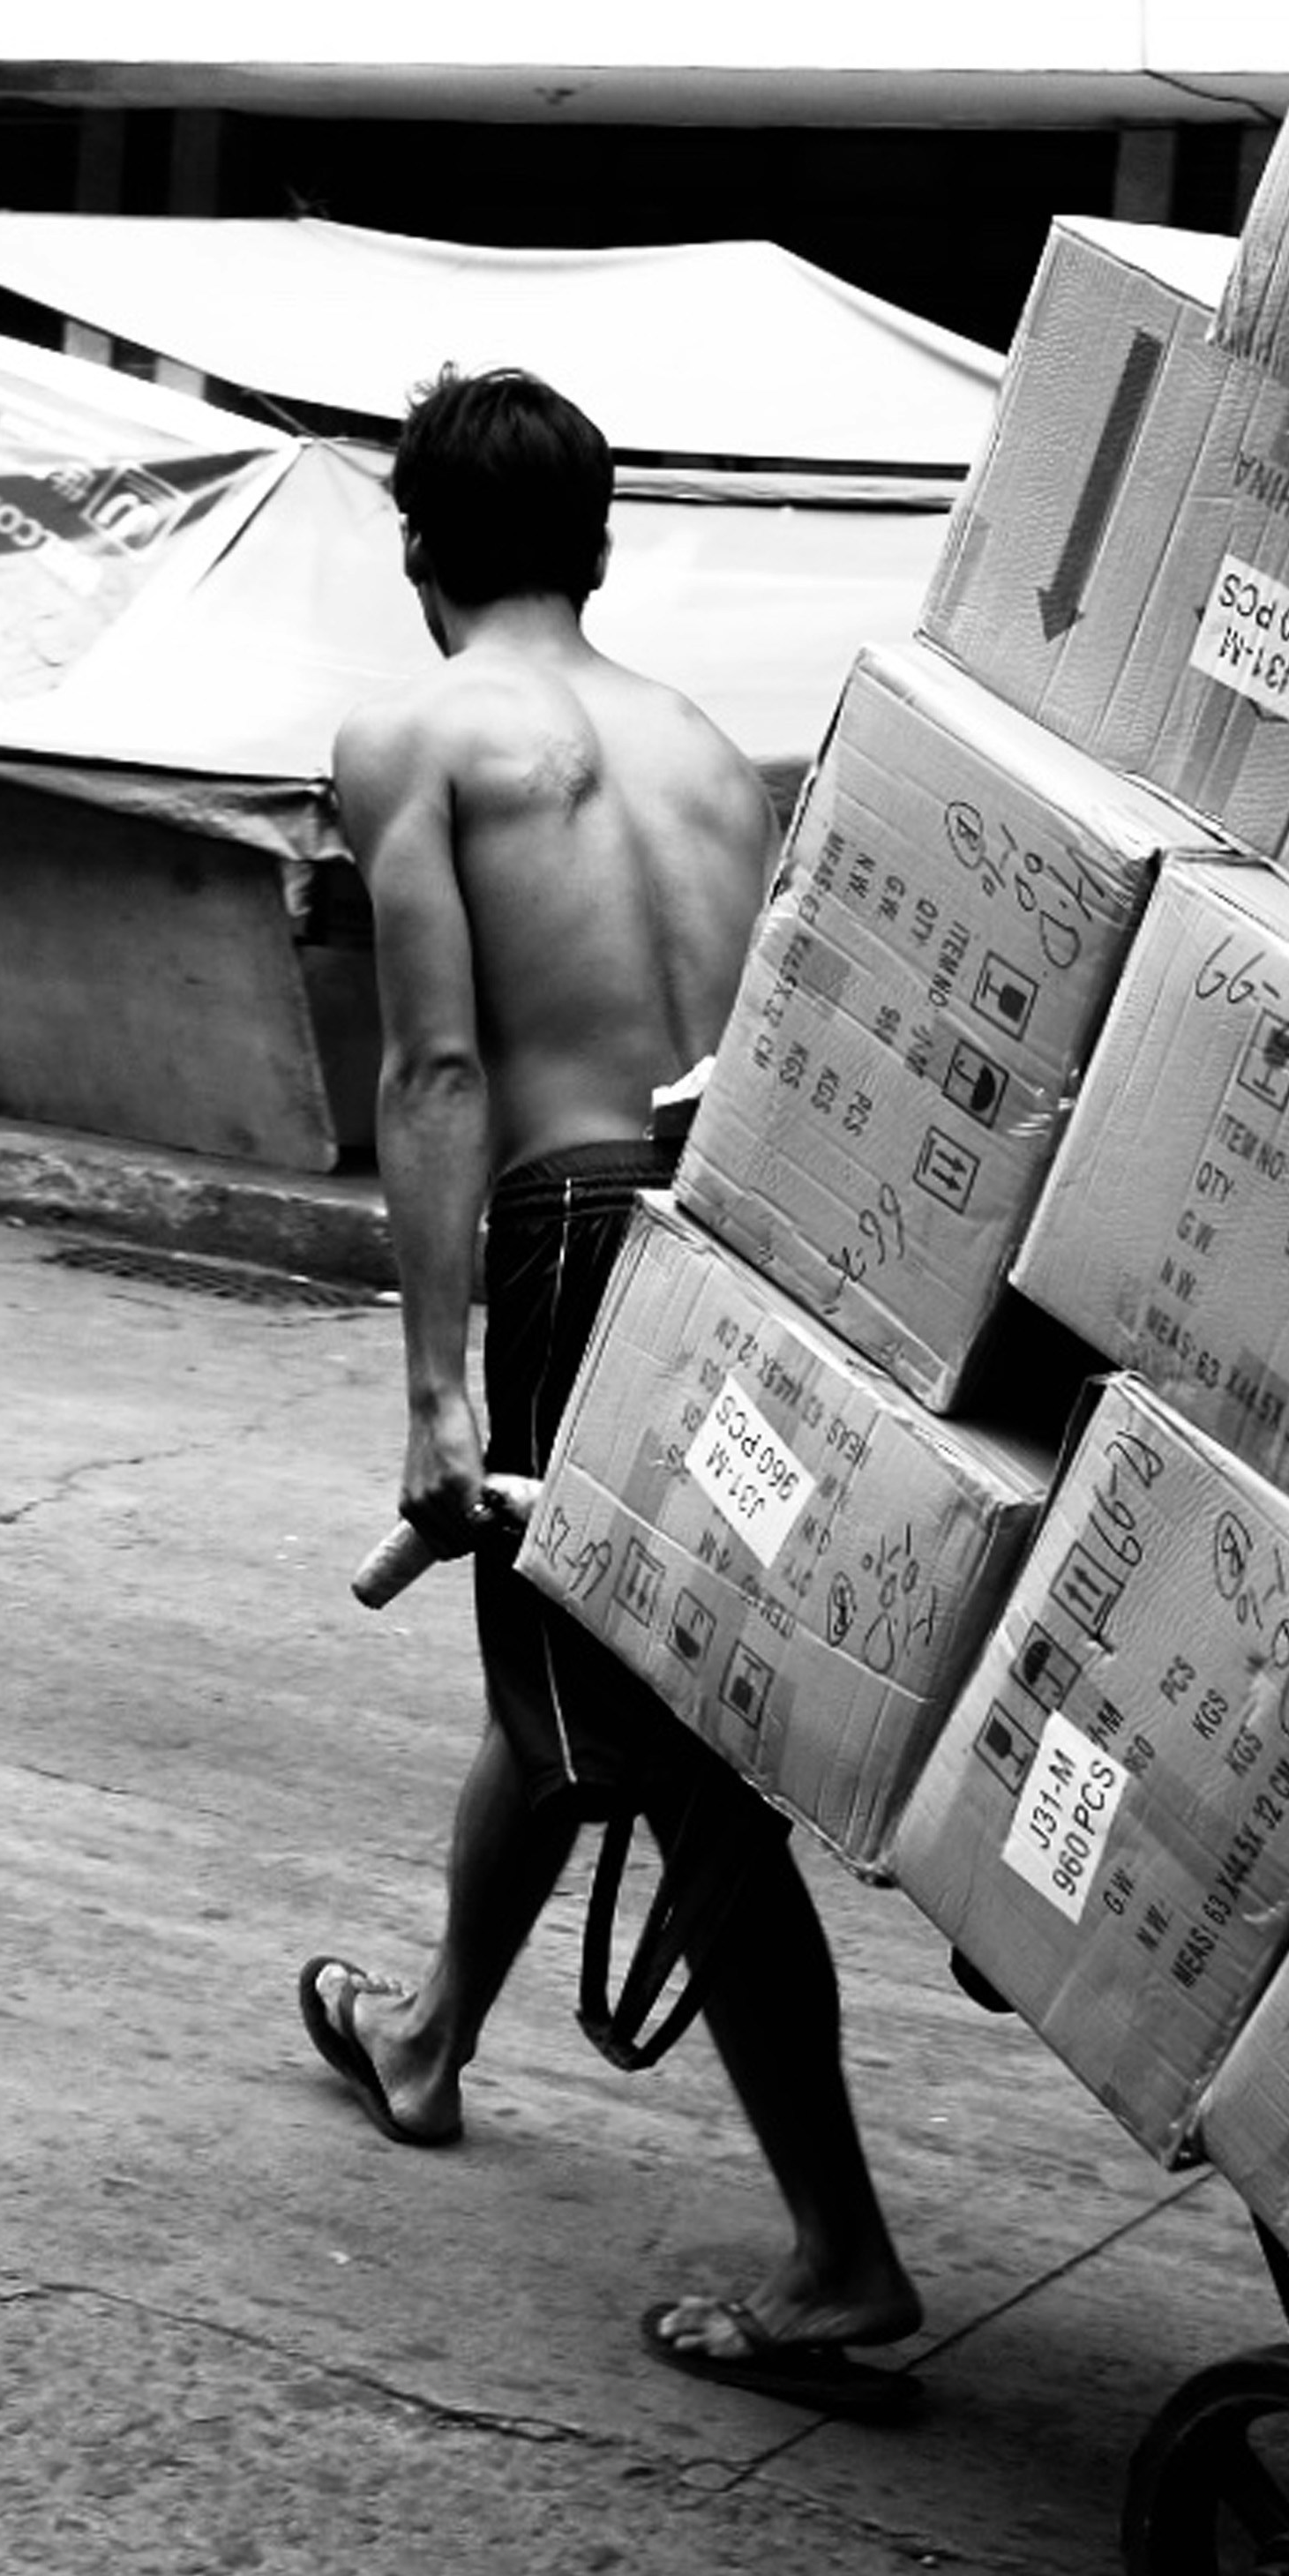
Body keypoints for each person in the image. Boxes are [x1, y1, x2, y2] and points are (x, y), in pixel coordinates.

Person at [290, 365, 926, 2420]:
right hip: (742, 1236)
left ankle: (839, 2253)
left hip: (573, 1231)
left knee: (670, 1757)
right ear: (601, 543)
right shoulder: (710, 755)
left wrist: (434, 1378)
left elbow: (438, 1070)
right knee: (567, 1694)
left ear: (417, 554)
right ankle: (430, 2038)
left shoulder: (414, 737)